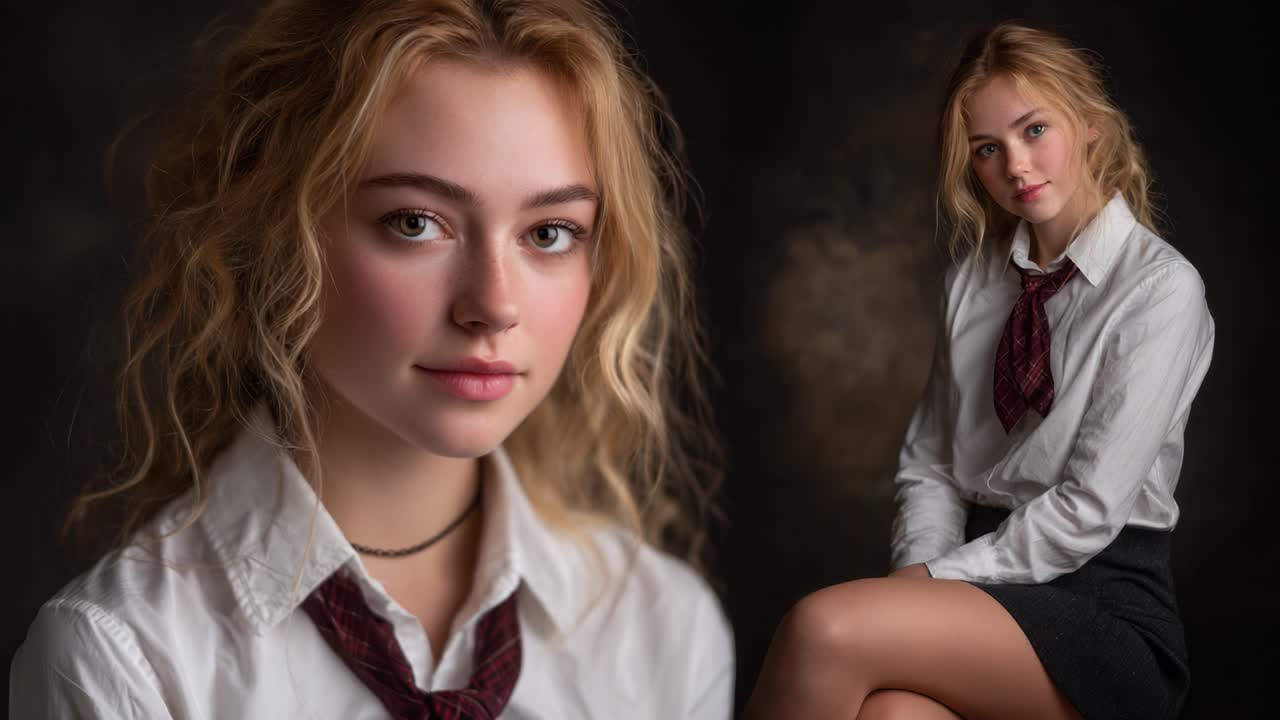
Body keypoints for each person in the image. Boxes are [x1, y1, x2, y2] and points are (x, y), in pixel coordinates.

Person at [10, 1, 733, 717]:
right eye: (416, 223)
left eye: (548, 232)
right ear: (272, 231)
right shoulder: (126, 656)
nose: (494, 304)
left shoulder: (660, 628)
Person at [744, 21, 1213, 720]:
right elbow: (932, 465)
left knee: (822, 629)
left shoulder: (1158, 290)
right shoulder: (975, 282)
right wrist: (922, 572)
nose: (1016, 167)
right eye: (988, 150)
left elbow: (1088, 510)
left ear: (1089, 124)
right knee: (893, 715)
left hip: (1100, 602)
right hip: (975, 589)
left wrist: (932, 583)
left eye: (1034, 131)